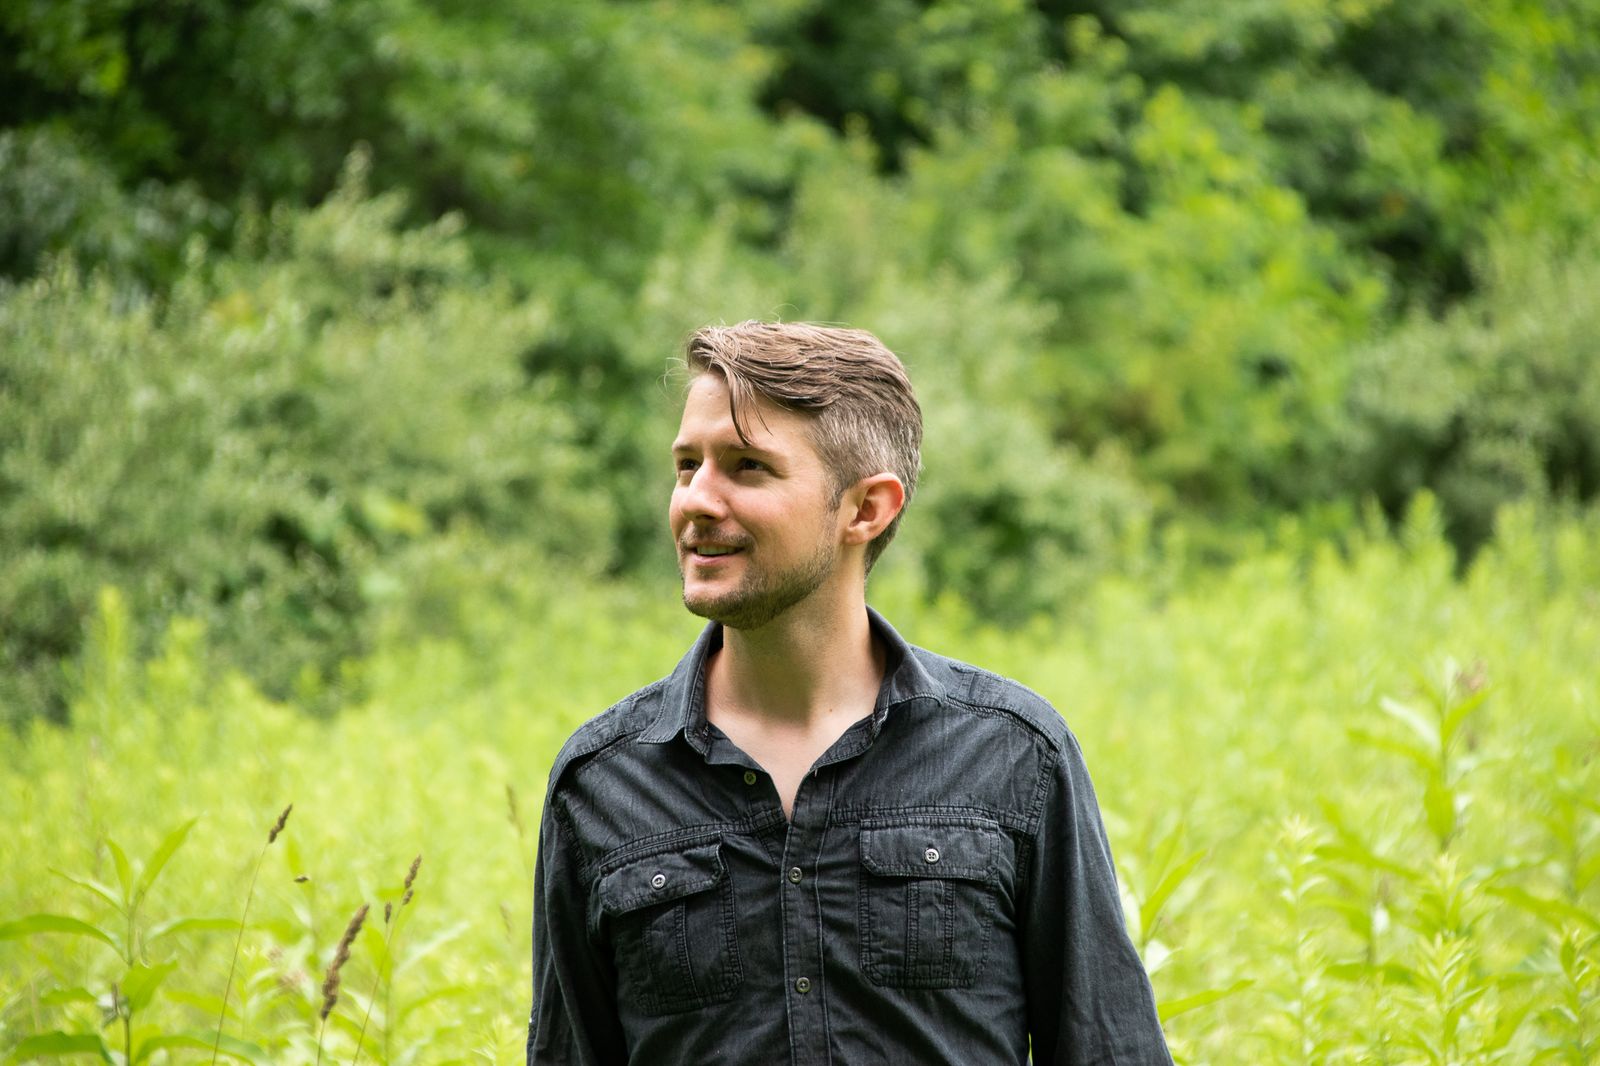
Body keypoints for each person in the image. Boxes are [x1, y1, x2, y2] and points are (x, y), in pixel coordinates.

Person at [527, 321, 1172, 1065]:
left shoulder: (1015, 758)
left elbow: (1107, 1048)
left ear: (866, 509)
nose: (696, 500)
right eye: (686, 466)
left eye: (746, 467)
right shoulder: (600, 785)